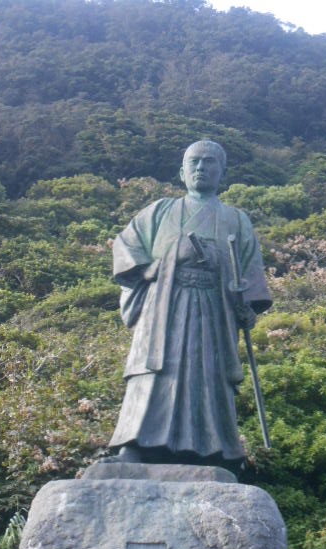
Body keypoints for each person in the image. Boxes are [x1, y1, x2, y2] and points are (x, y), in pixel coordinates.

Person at [107, 140, 271, 470]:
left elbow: (250, 273)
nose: (200, 167)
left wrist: (246, 306)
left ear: (222, 172)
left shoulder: (236, 220)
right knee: (154, 373)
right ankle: (133, 444)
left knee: (207, 374)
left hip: (214, 310)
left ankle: (212, 450)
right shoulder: (159, 212)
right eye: (193, 162)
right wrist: (154, 267)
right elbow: (126, 246)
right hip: (163, 306)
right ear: (181, 172)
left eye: (209, 162)